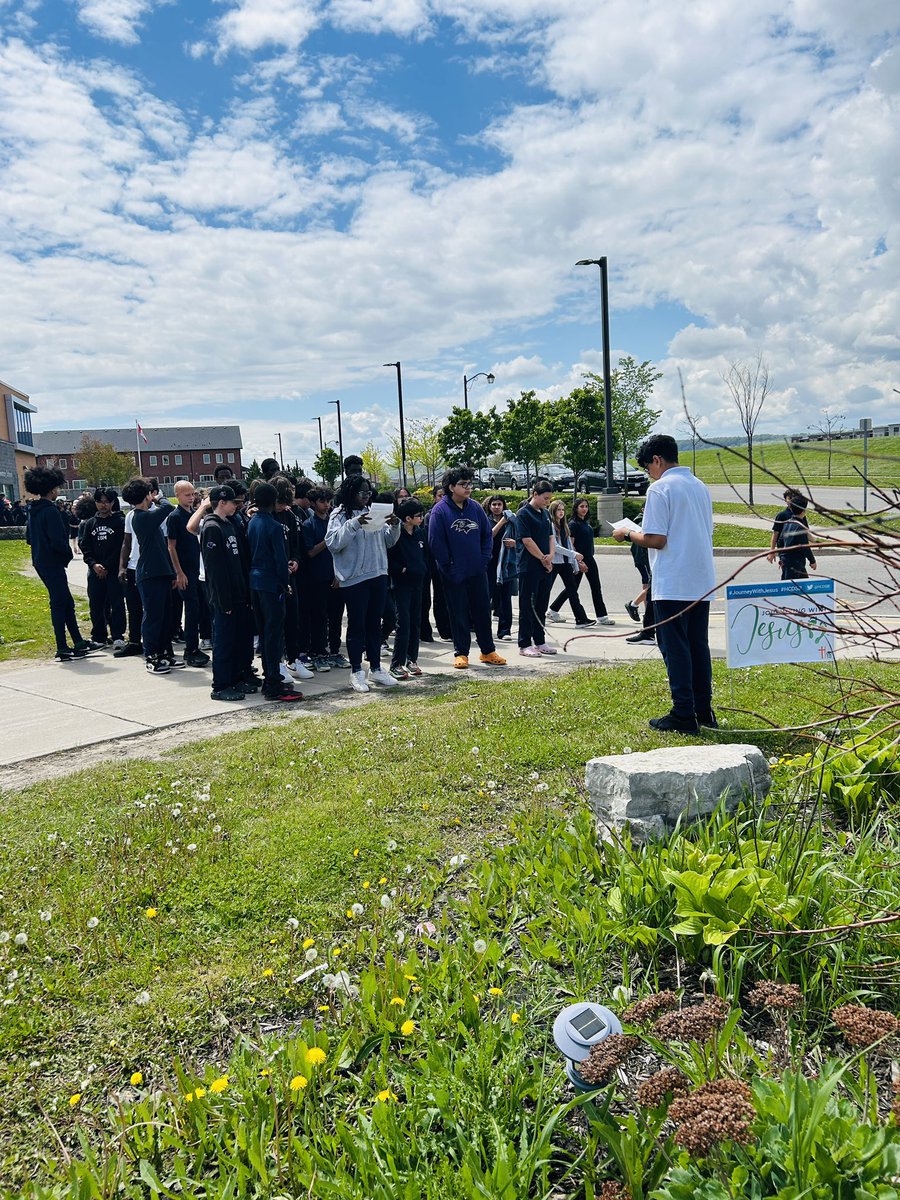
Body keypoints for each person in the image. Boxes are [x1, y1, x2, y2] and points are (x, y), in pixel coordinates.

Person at [613, 434, 716, 733]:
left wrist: (627, 534)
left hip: (673, 580)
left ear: (657, 460)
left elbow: (656, 539)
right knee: (698, 645)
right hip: (701, 578)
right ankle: (703, 709)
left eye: (647, 467)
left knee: (674, 647)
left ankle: (683, 713)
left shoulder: (660, 489)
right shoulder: (700, 486)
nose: (649, 474)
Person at [325, 474, 401, 693]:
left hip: (378, 573)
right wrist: (354, 524)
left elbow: (387, 542)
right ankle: (357, 671)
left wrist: (393, 526)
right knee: (357, 624)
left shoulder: (374, 512)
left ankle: (376, 668)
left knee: (374, 624)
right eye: (362, 493)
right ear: (350, 493)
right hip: (354, 578)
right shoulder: (339, 514)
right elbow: (333, 543)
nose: (366, 497)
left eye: (369, 493)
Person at [427, 467, 507, 670]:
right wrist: (449, 566)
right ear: (451, 487)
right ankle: (461, 652)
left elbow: (486, 536)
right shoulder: (440, 510)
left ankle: (487, 651)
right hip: (453, 572)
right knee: (458, 612)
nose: (468, 488)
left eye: (470, 484)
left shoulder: (476, 508)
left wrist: (483, 559)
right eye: (463, 484)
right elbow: (436, 542)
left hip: (477, 569)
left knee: (482, 610)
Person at [24, 466, 97, 662]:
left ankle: (78, 641)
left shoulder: (33, 510)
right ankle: (62, 647)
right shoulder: (51, 511)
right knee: (59, 602)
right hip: (52, 562)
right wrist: (65, 556)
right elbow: (59, 541)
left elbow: (29, 538)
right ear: (52, 489)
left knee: (66, 601)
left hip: (40, 560)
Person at [247, 482, 302, 702]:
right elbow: (280, 559)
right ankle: (273, 683)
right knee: (274, 634)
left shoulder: (252, 522)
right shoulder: (274, 526)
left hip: (255, 581)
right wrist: (285, 582)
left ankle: (269, 676)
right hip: (271, 583)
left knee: (264, 633)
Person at [121, 478, 181, 675]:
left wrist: (171, 572)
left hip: (161, 571)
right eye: (149, 492)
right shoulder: (141, 517)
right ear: (146, 495)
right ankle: (151, 655)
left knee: (164, 615)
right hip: (149, 573)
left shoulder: (147, 515)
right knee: (153, 616)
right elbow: (168, 506)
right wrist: (157, 498)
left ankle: (163, 652)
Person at [199, 484, 254, 700]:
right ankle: (221, 685)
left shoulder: (229, 524)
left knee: (238, 639)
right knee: (223, 641)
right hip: (224, 599)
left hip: (238, 594)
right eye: (233, 503)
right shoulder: (212, 527)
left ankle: (237, 677)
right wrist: (224, 601)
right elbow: (215, 570)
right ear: (222, 502)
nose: (236, 507)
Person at [547, 498, 615, 627]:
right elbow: (570, 545)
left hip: (587, 558)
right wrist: (577, 560)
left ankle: (601, 616)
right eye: (581, 506)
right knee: (570, 589)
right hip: (573, 559)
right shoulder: (573, 524)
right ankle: (552, 611)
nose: (584, 509)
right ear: (576, 508)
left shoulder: (582, 523)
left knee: (592, 587)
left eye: (586, 506)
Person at [166, 481, 209, 667]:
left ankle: (196, 644)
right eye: (186, 495)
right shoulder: (175, 517)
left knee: (200, 607)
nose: (191, 498)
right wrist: (179, 572)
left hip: (197, 569)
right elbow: (171, 546)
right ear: (177, 496)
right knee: (191, 609)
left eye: (192, 494)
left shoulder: (194, 514)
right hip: (184, 570)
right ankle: (190, 649)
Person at [303, 487, 347, 670]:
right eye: (322, 501)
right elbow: (310, 552)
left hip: (336, 577)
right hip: (317, 578)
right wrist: (328, 541)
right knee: (319, 617)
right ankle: (319, 653)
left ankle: (335, 651)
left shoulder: (334, 522)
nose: (326, 505)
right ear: (313, 503)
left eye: (329, 501)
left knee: (336, 616)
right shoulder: (308, 525)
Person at [78, 488, 126, 648]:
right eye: (99, 501)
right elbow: (85, 546)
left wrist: (108, 565)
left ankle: (118, 635)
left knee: (117, 603)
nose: (103, 505)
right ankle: (99, 636)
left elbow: (122, 546)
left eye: (107, 501)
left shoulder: (119, 521)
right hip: (95, 571)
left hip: (113, 571)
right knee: (96, 604)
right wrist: (93, 564)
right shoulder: (90, 523)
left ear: (112, 502)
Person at [516, 479, 557, 657]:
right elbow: (527, 540)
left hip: (545, 566)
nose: (547, 502)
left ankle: (539, 641)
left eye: (549, 499)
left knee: (541, 605)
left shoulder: (545, 514)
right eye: (545, 498)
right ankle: (524, 643)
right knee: (527, 605)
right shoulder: (524, 514)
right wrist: (542, 557)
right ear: (535, 495)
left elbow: (551, 536)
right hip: (529, 566)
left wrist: (551, 557)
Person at [387, 498, 427, 679]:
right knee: (402, 623)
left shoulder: (419, 533)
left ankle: (412, 659)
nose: (421, 518)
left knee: (415, 622)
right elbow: (389, 559)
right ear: (408, 518)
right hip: (402, 584)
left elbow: (424, 554)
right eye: (418, 516)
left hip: (418, 582)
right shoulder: (396, 534)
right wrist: (401, 569)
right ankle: (396, 663)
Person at [544, 499, 595, 628]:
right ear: (553, 511)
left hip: (565, 563)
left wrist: (575, 563)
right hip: (554, 562)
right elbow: (555, 546)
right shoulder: (551, 526)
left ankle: (581, 619)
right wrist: (574, 555)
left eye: (562, 510)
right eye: (558, 510)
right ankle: (539, 616)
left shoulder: (564, 526)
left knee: (572, 591)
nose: (561, 512)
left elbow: (568, 545)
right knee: (545, 591)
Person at [483, 495, 517, 641]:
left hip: (506, 564)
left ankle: (505, 630)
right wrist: (502, 521)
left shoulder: (512, 522)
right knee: (486, 597)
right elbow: (488, 536)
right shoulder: (486, 521)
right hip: (489, 564)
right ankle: (484, 631)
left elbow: (522, 538)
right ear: (489, 506)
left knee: (505, 598)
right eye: (494, 504)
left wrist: (514, 543)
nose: (497, 507)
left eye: (499, 504)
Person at [774, 493, 817, 581]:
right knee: (790, 587)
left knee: (804, 584)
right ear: (803, 511)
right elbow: (805, 546)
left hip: (788, 561)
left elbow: (780, 541)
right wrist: (812, 561)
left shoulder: (788, 522)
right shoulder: (800, 527)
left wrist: (781, 557)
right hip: (795, 562)